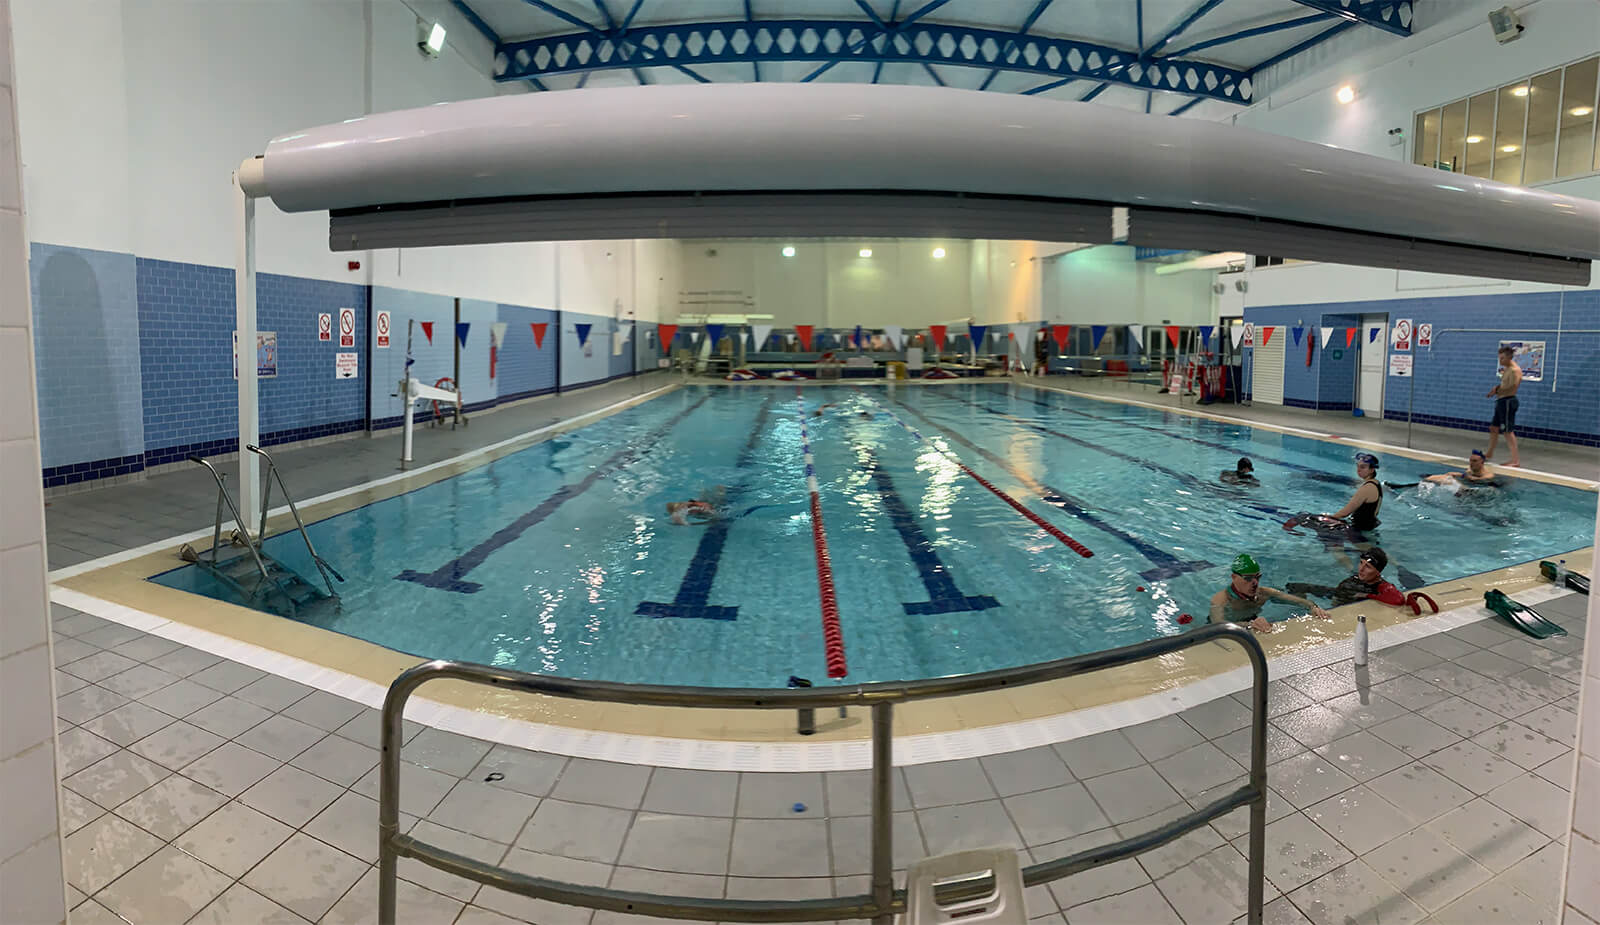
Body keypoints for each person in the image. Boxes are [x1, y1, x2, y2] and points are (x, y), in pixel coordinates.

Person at [1207, 554, 1330, 634]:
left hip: (1255, 622)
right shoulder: (1221, 600)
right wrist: (1249, 625)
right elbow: (1218, 625)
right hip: (1232, 627)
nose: (1255, 583)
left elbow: (1297, 601)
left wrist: (1313, 607)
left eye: (1257, 577)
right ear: (1234, 577)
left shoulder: (1264, 593)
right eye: (1248, 578)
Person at [1286, 548, 1396, 607]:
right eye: (1361, 563)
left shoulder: (1383, 588)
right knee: (1294, 587)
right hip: (1336, 594)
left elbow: (1397, 599)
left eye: (1368, 567)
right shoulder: (1357, 578)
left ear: (1378, 572)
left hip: (1341, 602)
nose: (1361, 569)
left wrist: (1368, 595)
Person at [1484, 345, 1522, 467]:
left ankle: (1515, 460)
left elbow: (1513, 386)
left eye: (1502, 358)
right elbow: (1504, 385)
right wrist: (1496, 389)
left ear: (1509, 357)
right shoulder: (1507, 369)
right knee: (1494, 428)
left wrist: (1498, 390)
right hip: (1501, 401)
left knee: (1507, 431)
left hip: (1508, 402)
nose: (1500, 361)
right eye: (1499, 358)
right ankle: (1489, 453)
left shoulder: (1514, 370)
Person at [1423, 449, 1501, 487]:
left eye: (1474, 461)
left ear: (1482, 462)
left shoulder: (1489, 475)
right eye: (1470, 460)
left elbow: (1476, 480)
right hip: (1468, 485)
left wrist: (1461, 475)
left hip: (1482, 487)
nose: (1471, 463)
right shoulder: (1469, 470)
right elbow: (1468, 477)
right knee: (1438, 477)